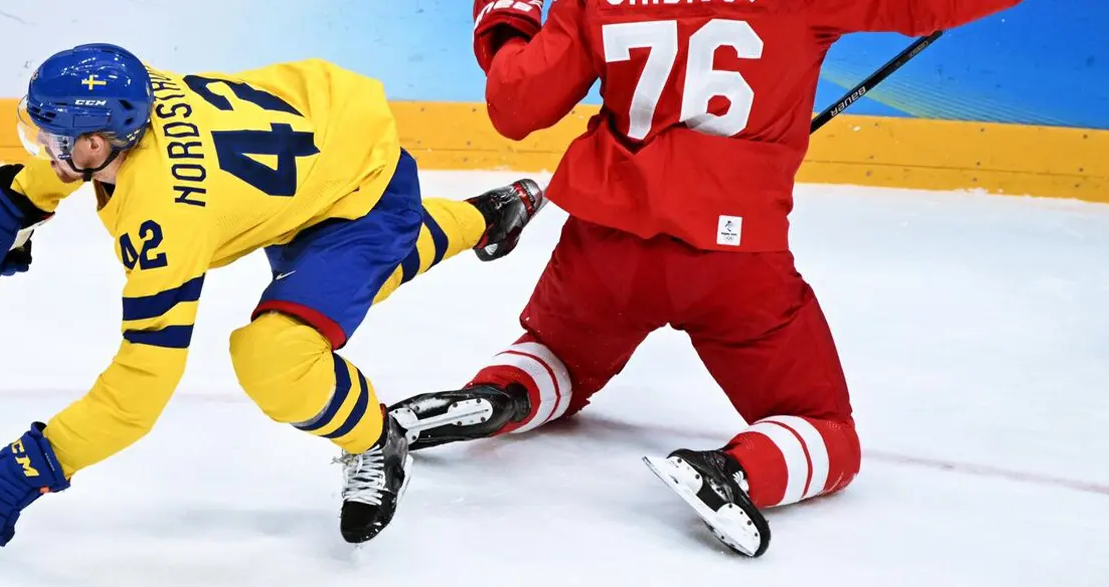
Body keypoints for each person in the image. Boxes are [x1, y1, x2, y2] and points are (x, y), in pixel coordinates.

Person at [387, 0, 1022, 558]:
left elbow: (517, 103)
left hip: (606, 245)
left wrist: (506, 19)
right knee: (820, 425)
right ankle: (733, 473)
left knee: (563, 356)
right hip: (730, 258)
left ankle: (503, 393)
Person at [0, 43, 548, 547]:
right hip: (325, 143)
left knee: (276, 357)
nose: (42, 146)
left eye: (52, 139)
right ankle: (486, 217)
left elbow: (141, 386)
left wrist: (47, 457)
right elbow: (76, 158)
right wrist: (22, 200)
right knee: (362, 270)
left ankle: (376, 441)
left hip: (358, 189)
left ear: (97, 144)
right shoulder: (133, 90)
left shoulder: (163, 219)